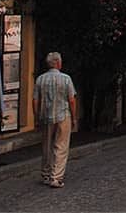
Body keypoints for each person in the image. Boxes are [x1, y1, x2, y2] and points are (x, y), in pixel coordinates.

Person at [33, 52, 77, 188]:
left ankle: (46, 175)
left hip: (46, 117)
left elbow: (35, 100)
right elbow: (71, 99)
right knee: (61, 146)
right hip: (63, 115)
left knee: (47, 146)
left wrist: (36, 117)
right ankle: (56, 177)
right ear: (58, 63)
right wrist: (74, 117)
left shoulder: (40, 79)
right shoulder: (66, 79)